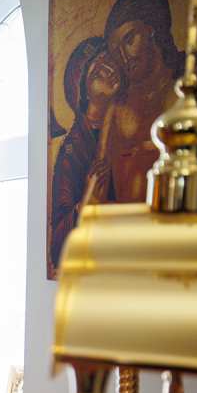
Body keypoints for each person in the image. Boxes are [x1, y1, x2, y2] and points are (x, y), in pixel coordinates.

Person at [100, 0, 197, 203]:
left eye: (129, 39)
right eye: (115, 51)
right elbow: (100, 187)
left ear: (151, 29)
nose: (123, 57)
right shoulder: (116, 108)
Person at [49, 37, 122, 274]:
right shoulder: (73, 151)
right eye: (98, 72)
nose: (109, 70)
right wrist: (86, 203)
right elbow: (57, 246)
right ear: (85, 92)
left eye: (109, 61)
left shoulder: (127, 119)